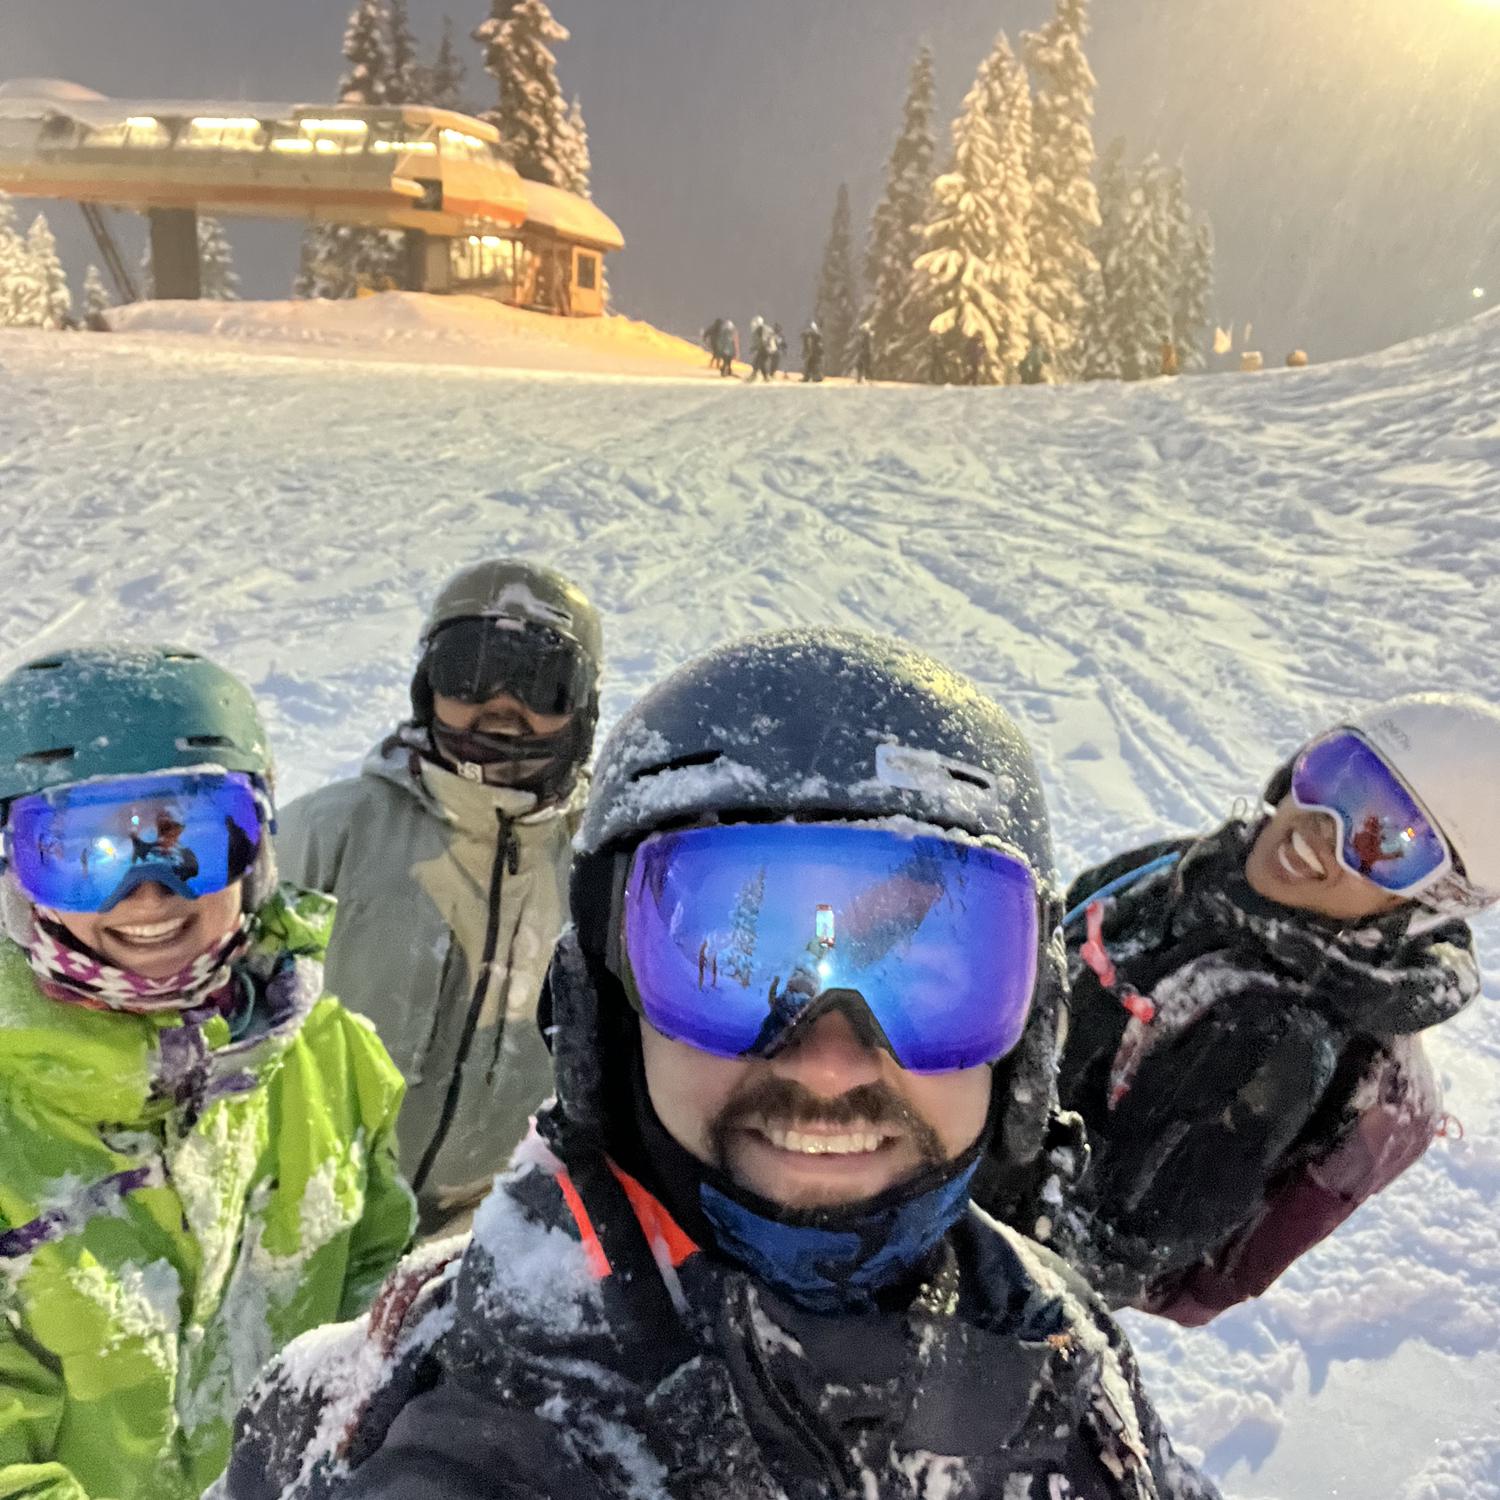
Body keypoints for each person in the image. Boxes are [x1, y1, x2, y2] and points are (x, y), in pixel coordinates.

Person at [220, 630, 1221, 1500]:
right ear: (609, 1011)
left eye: (925, 977)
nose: (830, 1065)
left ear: (1026, 1029)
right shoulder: (437, 1402)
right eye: (734, 969)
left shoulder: (1052, 1335)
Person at [0, 646, 414, 1500]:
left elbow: (380, 1308)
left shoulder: (327, 1058)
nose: (145, 895)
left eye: (185, 838)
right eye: (82, 851)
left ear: (257, 843)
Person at [1037, 694, 1500, 1321]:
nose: (1317, 832)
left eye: (1383, 842)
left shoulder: (1273, 1043)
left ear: (1424, 903)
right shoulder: (1193, 868)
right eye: (1336, 777)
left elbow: (1096, 1259)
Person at [278, 560, 602, 1236]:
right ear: (430, 684)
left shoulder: (603, 868)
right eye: (470, 672)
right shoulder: (327, 835)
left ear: (582, 703)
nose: (503, 706)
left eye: (541, 683)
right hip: (310, 1223)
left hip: (494, 1236)